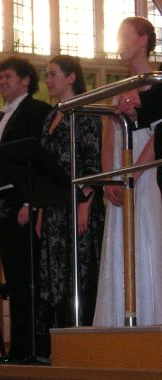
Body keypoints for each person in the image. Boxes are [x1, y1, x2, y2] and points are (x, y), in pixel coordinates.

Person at [94, 17, 162, 327]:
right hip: (122, 177)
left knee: (146, 239)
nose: (120, 41)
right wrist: (111, 178)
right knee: (120, 248)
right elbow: (109, 141)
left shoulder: (156, 85)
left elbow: (157, 137)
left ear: (144, 40)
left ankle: (150, 318)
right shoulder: (117, 90)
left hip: (146, 177)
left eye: (125, 36)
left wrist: (134, 173)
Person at [0, 57, 51, 364]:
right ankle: (19, 348)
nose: (1, 82)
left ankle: (34, 348)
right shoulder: (1, 116)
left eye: (7, 76)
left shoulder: (36, 111)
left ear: (25, 80)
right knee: (15, 280)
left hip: (21, 202)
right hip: (2, 204)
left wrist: (29, 201)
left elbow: (37, 159)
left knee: (28, 278)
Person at [35, 55, 104, 358]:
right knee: (55, 276)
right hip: (53, 206)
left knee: (78, 270)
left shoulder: (85, 111)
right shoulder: (52, 115)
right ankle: (59, 345)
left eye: (53, 75)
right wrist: (40, 210)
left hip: (77, 204)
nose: (48, 80)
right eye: (46, 75)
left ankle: (81, 345)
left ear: (71, 77)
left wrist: (86, 204)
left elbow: (92, 162)